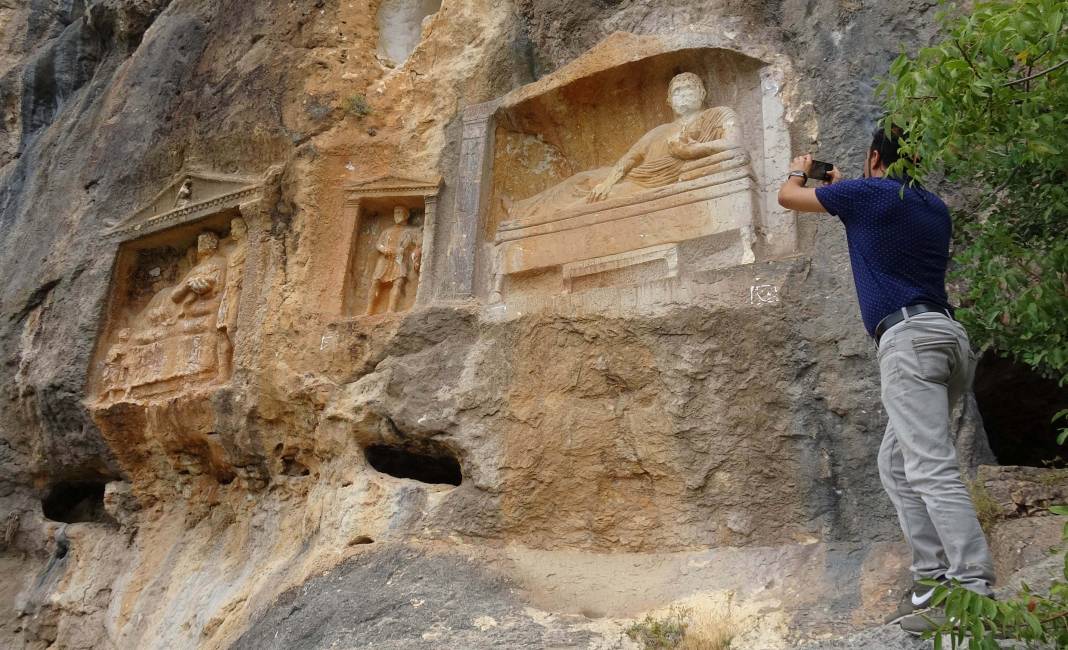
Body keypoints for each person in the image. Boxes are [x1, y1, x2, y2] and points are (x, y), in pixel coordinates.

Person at [777, 127, 996, 635]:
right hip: (948, 339)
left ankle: (973, 589)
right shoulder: (930, 204)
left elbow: (789, 197)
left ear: (875, 157)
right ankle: (932, 581)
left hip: (910, 342)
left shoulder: (866, 196)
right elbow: (876, 210)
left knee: (929, 468)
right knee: (897, 464)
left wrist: (798, 166)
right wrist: (842, 184)